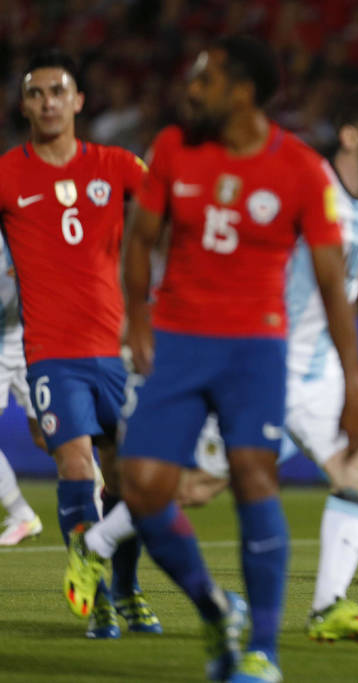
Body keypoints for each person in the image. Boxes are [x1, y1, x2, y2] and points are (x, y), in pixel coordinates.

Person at [64, 36, 358, 683]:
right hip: (176, 341)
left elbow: (335, 287)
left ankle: (263, 650)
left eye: (205, 78)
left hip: (255, 349)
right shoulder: (174, 148)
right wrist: (140, 316)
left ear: (242, 91)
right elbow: (140, 240)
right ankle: (213, 606)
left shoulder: (302, 171)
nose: (191, 88)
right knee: (144, 488)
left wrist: (355, 385)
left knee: (255, 479)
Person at [176, 84, 358, 641]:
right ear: (351, 136)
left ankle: (328, 608)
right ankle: (98, 544)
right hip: (258, 360)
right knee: (191, 489)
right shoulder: (303, 183)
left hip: (316, 371)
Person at [0, 49, 160, 637]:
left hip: (113, 351)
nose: (47, 102)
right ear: (23, 105)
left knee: (126, 479)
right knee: (76, 463)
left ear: (78, 102)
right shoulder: (7, 174)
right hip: (50, 353)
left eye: (57, 91)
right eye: (36, 93)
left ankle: (127, 591)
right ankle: (93, 596)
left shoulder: (116, 164)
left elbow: (167, 212)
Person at [0, 233, 45, 546]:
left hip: (25, 341)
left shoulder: (17, 232)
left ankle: (100, 499)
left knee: (51, 435)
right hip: (14, 342)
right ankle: (20, 514)